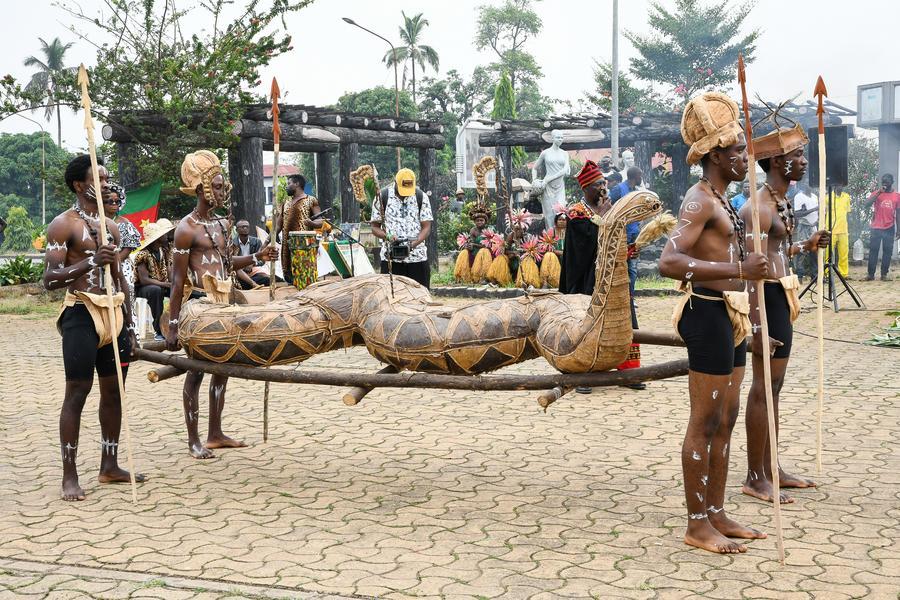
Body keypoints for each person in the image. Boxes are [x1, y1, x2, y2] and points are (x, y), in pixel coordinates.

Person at [658, 92, 768, 553]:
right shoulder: (698, 200)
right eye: (738, 150)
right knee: (705, 420)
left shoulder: (723, 199)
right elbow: (668, 261)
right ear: (717, 156)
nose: (746, 157)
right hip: (705, 313)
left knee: (726, 418)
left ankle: (717, 512)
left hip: (731, 314)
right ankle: (696, 524)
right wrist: (737, 270)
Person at [42, 154, 145, 501]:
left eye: (105, 177)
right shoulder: (63, 225)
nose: (105, 184)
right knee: (78, 392)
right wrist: (90, 261)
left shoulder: (110, 227)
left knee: (114, 392)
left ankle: (109, 465)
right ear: (78, 184)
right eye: (98, 179)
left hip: (113, 313)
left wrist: (129, 325)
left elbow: (119, 278)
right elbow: (50, 280)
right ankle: (69, 476)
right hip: (81, 314)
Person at [739, 124, 830, 505]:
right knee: (763, 387)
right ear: (777, 162)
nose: (804, 161)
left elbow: (775, 253)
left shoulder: (779, 201)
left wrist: (806, 245)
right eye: (797, 155)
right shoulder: (758, 208)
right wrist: (756, 326)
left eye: (803, 154)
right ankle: (754, 477)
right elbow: (748, 270)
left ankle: (772, 467)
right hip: (765, 302)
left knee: (774, 388)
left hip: (779, 297)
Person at [166, 151, 277, 459]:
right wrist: (172, 325)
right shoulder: (186, 228)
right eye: (216, 186)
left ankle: (215, 434)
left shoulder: (220, 224)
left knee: (223, 367)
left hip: (224, 302)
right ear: (200, 189)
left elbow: (227, 264)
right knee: (196, 371)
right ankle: (194, 440)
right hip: (200, 305)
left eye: (222, 185)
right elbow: (177, 281)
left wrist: (258, 256)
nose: (222, 190)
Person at [558, 160, 612, 394]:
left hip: (608, 274)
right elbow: (584, 245)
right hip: (584, 279)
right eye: (598, 184)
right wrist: (601, 214)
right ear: (586, 187)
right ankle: (581, 372)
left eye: (604, 183)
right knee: (585, 323)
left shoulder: (607, 207)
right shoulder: (577, 213)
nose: (603, 187)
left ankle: (626, 368)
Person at [608, 166, 646, 388]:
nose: (604, 190)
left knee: (628, 319)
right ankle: (588, 372)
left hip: (624, 266)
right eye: (600, 187)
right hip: (602, 282)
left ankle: (629, 372)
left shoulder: (634, 192)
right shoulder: (592, 216)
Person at [371, 168, 433, 289]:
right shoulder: (382, 197)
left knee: (420, 296)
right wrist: (388, 236)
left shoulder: (421, 196)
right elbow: (374, 227)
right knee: (392, 296)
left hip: (417, 258)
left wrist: (412, 245)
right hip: (391, 260)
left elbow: (426, 227)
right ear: (395, 183)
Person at [102, 182, 141, 340]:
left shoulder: (124, 223)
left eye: (117, 201)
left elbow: (128, 247)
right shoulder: (97, 222)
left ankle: (131, 335)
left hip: (122, 266)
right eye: (110, 201)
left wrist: (114, 261)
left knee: (125, 299)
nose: (114, 204)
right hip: (101, 266)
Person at [275, 174, 321, 284]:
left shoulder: (311, 200)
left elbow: (320, 222)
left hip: (304, 246)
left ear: (297, 184)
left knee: (304, 277)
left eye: (289, 183)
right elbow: (278, 226)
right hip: (287, 247)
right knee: (289, 277)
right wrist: (268, 240)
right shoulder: (285, 203)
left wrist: (311, 223)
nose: (286, 186)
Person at [133, 219, 175, 341]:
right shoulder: (143, 254)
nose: (166, 236)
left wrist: (172, 283)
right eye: (163, 234)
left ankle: (176, 325)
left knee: (178, 290)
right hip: (143, 288)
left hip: (160, 284)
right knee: (155, 290)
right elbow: (144, 280)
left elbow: (169, 273)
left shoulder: (163, 251)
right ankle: (159, 330)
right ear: (157, 238)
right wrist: (165, 284)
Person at [864, 174, 900, 280]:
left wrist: (899, 229)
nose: (885, 183)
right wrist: (879, 192)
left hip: (889, 227)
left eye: (887, 182)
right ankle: (870, 274)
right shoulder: (877, 193)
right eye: (883, 182)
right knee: (873, 251)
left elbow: (898, 213)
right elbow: (866, 204)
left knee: (887, 252)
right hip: (876, 227)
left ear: (892, 182)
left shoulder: (897, 196)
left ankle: (884, 274)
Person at [233, 219, 278, 288]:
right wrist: (244, 265)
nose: (245, 228)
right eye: (242, 227)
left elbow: (262, 261)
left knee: (267, 279)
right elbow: (232, 262)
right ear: (236, 230)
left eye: (247, 226)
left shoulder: (257, 242)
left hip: (253, 270)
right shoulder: (232, 243)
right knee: (238, 272)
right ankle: (253, 284)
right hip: (239, 272)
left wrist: (253, 264)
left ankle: (248, 284)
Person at [792, 182, 819, 280]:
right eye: (807, 183)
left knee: (814, 250)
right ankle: (800, 275)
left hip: (813, 226)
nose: (810, 185)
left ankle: (814, 276)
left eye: (811, 183)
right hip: (804, 226)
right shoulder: (799, 196)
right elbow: (797, 214)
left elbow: (817, 212)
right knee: (801, 250)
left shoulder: (815, 196)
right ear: (803, 185)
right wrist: (814, 209)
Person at [826, 185, 852, 277]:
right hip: (831, 230)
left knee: (844, 253)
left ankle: (844, 274)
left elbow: (848, 212)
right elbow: (824, 212)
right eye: (838, 184)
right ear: (834, 186)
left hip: (843, 230)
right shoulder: (828, 197)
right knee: (828, 253)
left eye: (841, 184)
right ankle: (827, 273)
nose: (840, 186)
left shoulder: (846, 197)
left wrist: (849, 227)